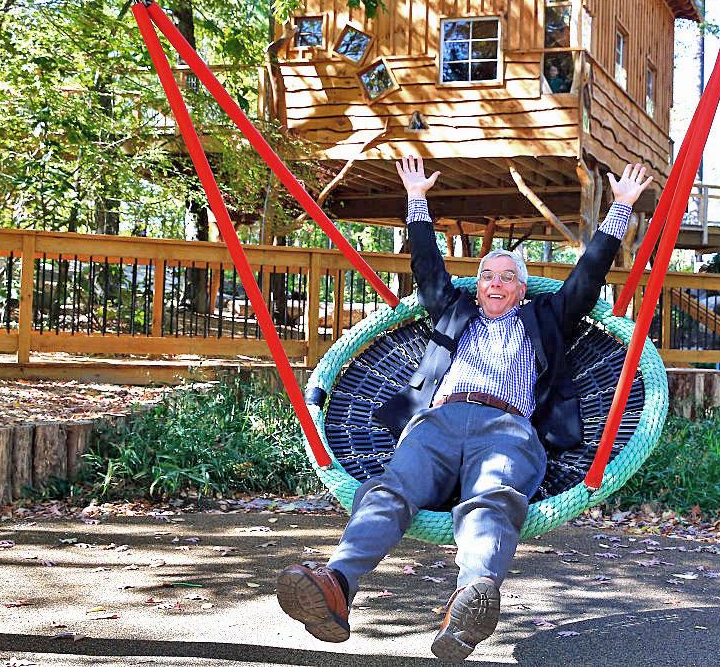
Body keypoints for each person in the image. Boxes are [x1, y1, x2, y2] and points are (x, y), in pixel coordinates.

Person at [277, 155, 652, 661]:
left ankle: (469, 602)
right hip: (437, 421)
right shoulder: (455, 313)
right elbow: (427, 268)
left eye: (506, 277)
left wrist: (621, 208)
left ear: (521, 289)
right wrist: (416, 200)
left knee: (492, 499)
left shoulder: (545, 318)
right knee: (388, 490)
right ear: (477, 286)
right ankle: (337, 586)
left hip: (508, 429)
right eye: (486, 275)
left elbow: (587, 276)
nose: (495, 283)